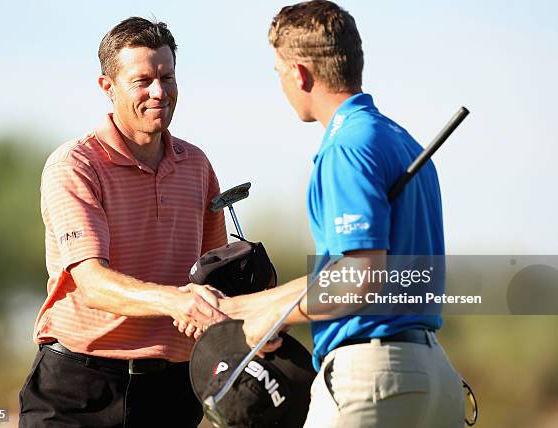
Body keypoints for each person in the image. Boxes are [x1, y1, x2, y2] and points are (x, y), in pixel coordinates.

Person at [181, 1, 465, 426]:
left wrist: (270, 322)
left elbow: (359, 276)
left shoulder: (346, 147)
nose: (281, 85)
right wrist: (246, 310)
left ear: (299, 73)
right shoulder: (399, 139)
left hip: (373, 379)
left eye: (278, 74)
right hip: (433, 378)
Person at [18, 16, 227, 428]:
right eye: (142, 80)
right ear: (107, 87)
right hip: (78, 391)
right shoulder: (74, 165)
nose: (159, 92)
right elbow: (92, 283)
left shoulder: (197, 165)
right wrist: (177, 301)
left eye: (168, 77)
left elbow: (211, 273)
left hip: (172, 392)